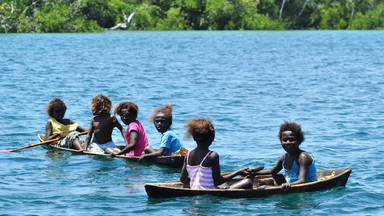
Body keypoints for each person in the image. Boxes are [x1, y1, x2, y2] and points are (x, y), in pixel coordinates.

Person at [180, 118, 258, 189]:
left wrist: (195, 185)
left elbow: (183, 179)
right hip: (209, 194)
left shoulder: (188, 155)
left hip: (195, 192)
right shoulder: (212, 155)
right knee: (248, 182)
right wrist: (238, 172)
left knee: (224, 185)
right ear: (212, 138)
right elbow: (217, 181)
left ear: (194, 138)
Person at [256, 121, 317, 189]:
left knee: (263, 188)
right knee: (251, 182)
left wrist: (288, 185)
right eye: (285, 140)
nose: (288, 142)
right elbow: (272, 171)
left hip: (304, 189)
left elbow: (302, 180)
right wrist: (254, 173)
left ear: (299, 141)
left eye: (291, 140)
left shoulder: (303, 157)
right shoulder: (284, 157)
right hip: (290, 185)